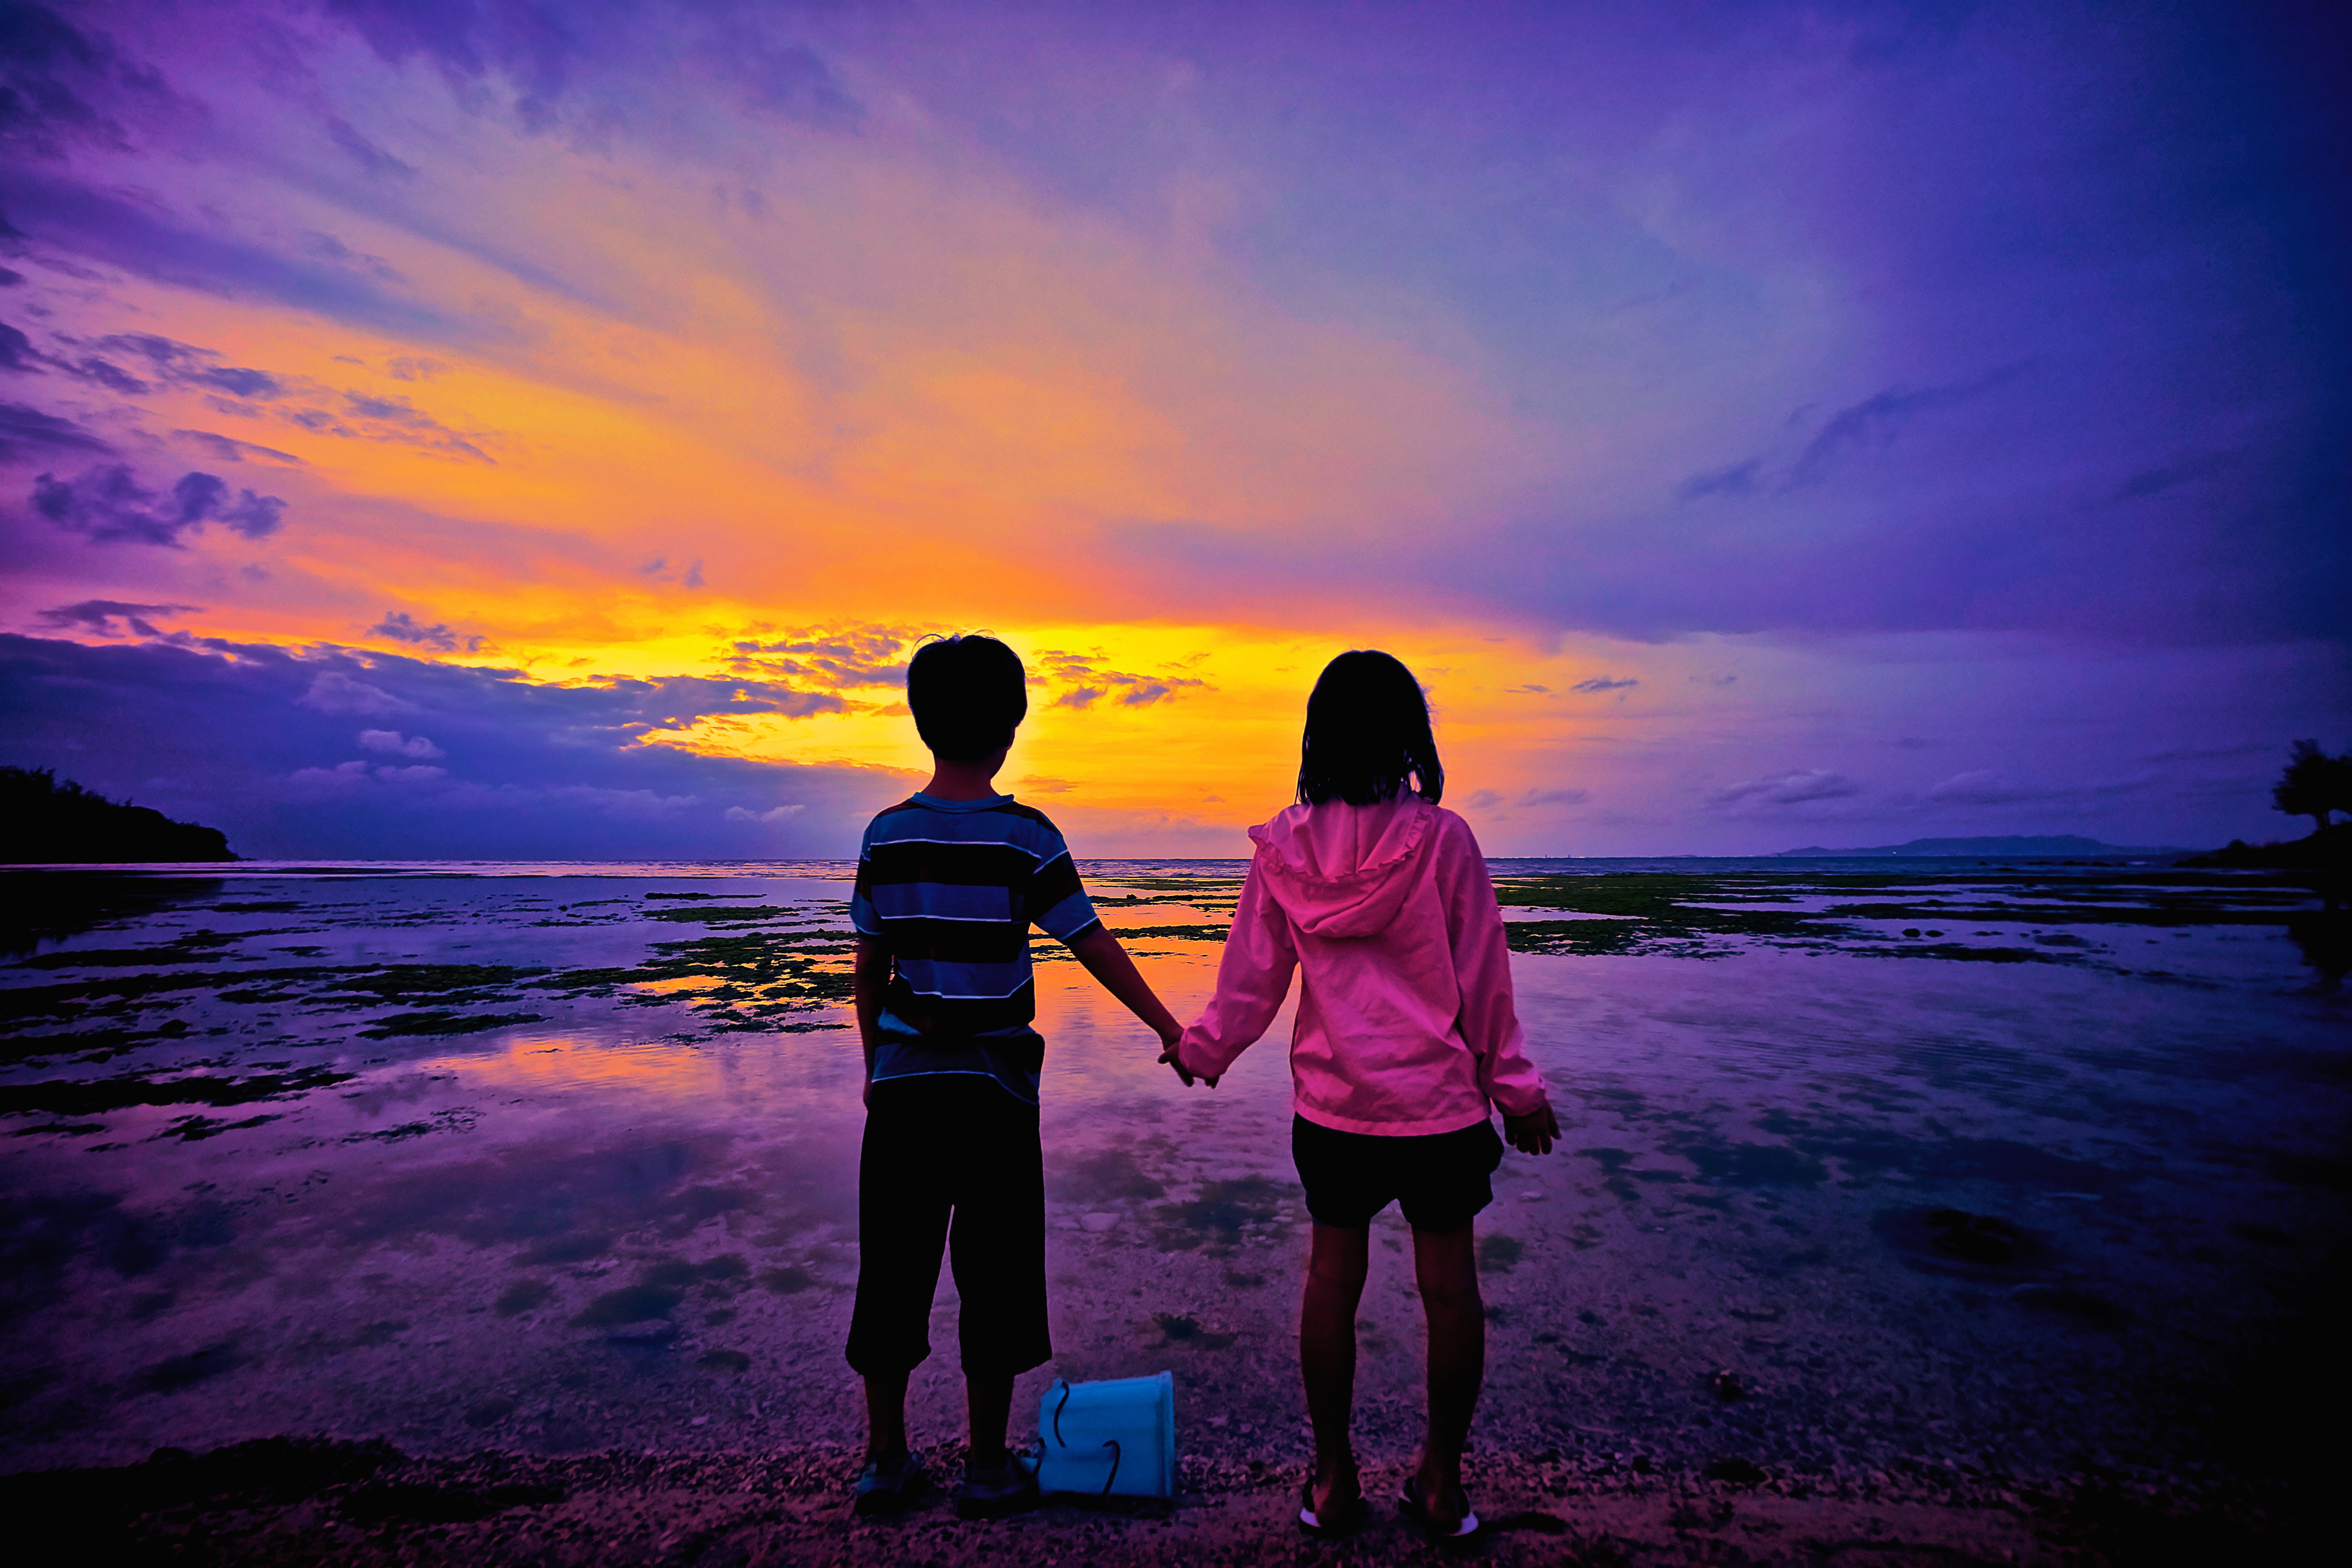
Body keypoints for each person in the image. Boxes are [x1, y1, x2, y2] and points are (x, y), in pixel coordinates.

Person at [1167, 649, 1560, 1541]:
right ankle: (1441, 1484)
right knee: (1452, 1292)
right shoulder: (1443, 838)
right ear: (1408, 733)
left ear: (1317, 733)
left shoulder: (1284, 846)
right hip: (1441, 1108)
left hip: (1335, 1110)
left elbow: (1250, 982)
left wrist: (1204, 1049)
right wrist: (1518, 1089)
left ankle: (1335, 1479)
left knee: (1332, 1281)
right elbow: (1484, 977)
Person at [844, 633, 1188, 1520]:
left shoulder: (887, 835)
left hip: (906, 1091)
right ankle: (987, 1464)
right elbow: (1091, 940)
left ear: (923, 724)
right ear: (1011, 727)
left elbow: (868, 971)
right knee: (993, 1272)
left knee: (893, 1265)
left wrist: (875, 1068)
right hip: (995, 1091)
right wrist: (1169, 1025)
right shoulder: (1027, 836)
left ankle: (886, 1461)